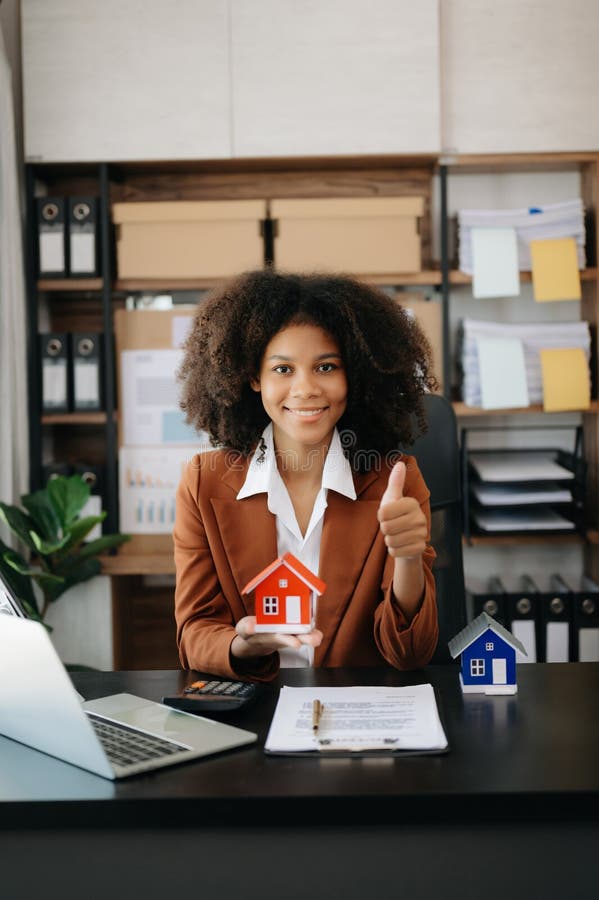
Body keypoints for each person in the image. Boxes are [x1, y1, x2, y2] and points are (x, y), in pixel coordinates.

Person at [174, 269, 439, 681]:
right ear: (252, 377)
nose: (306, 389)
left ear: (354, 377)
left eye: (326, 367)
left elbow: (411, 653)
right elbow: (194, 633)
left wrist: (407, 559)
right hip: (258, 711)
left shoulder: (396, 481)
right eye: (283, 370)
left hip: (354, 718)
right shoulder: (203, 482)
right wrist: (240, 643)